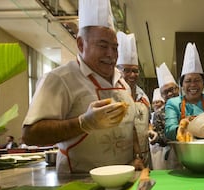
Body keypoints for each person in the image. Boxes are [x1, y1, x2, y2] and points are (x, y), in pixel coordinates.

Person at [22, 0, 145, 173]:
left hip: (124, 178)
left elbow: (129, 125)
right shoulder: (60, 79)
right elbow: (30, 135)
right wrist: (83, 123)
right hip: (79, 183)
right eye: (103, 46)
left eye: (114, 48)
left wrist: (137, 156)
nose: (111, 54)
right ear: (81, 44)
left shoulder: (121, 83)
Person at [165, 42, 204, 141]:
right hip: (183, 150)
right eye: (188, 81)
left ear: (203, 83)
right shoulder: (173, 103)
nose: (193, 85)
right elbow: (169, 131)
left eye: (197, 80)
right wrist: (195, 128)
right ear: (182, 85)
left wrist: (188, 127)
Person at [116, 31, 154, 167]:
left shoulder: (143, 97)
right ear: (118, 70)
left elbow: (148, 121)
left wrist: (150, 129)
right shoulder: (114, 95)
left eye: (135, 70)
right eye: (127, 70)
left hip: (145, 156)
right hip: (122, 159)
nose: (132, 75)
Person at [150, 63, 180, 169]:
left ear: (178, 89)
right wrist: (157, 138)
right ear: (162, 95)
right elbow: (159, 137)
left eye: (172, 89)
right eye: (166, 92)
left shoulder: (190, 106)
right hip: (171, 154)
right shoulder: (158, 114)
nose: (170, 94)